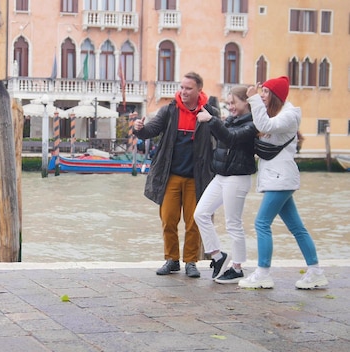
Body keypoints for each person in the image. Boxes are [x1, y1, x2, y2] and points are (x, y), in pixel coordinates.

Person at [240, 76, 328, 289]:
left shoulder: (289, 115)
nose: (262, 95)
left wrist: (253, 101)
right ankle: (315, 271)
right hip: (277, 178)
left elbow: (264, 124)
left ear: (276, 96)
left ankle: (263, 273)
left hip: (281, 178)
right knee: (297, 227)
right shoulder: (277, 113)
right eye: (262, 92)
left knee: (261, 223)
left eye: (266, 92)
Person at [133, 72, 215, 278]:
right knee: (168, 218)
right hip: (170, 175)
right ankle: (171, 259)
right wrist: (139, 129)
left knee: (193, 221)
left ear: (199, 90)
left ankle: (191, 262)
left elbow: (221, 136)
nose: (183, 91)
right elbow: (151, 130)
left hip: (197, 178)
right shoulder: (170, 110)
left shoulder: (210, 112)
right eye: (182, 87)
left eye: (188, 88)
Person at [194, 86, 258, 284]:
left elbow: (231, 139)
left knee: (233, 223)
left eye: (233, 103)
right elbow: (223, 134)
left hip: (238, 178)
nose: (230, 107)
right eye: (228, 103)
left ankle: (237, 267)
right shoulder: (230, 120)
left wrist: (211, 120)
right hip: (221, 176)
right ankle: (217, 255)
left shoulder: (253, 125)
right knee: (201, 213)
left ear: (245, 102)